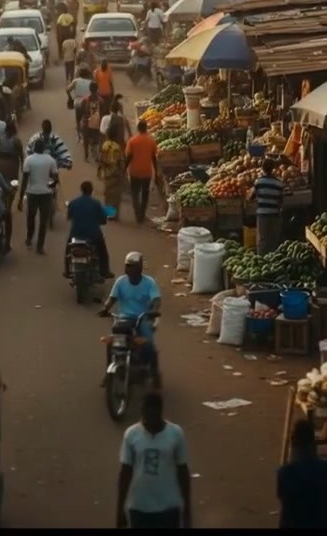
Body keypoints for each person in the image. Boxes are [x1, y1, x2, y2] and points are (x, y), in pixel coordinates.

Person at [116, 392, 191, 529]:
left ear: (159, 412)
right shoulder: (131, 435)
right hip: (139, 507)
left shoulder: (175, 434)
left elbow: (183, 471)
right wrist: (119, 509)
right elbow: (125, 472)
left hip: (168, 508)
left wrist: (187, 510)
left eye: (150, 412)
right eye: (143, 411)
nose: (145, 417)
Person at [101, 252, 162, 389]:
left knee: (148, 345)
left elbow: (156, 299)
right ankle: (108, 372)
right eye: (128, 266)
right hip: (124, 318)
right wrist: (106, 308)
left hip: (143, 318)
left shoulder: (149, 283)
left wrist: (153, 310)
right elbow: (112, 298)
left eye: (133, 266)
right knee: (111, 344)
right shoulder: (121, 282)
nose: (130, 269)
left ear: (140, 268)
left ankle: (154, 372)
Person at [277, 418, 327, 529]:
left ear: (293, 444)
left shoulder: (284, 473)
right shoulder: (324, 470)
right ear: (314, 443)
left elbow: (284, 503)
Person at [64, 180, 113, 279]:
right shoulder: (96, 204)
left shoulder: (73, 203)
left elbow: (69, 217)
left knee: (68, 250)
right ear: (91, 191)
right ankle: (105, 271)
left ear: (81, 190)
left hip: (76, 234)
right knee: (103, 251)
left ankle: (67, 270)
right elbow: (103, 220)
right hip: (93, 234)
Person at [18, 138, 58, 255]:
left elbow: (24, 180)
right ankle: (40, 246)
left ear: (34, 148)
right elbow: (55, 177)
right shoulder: (50, 160)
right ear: (44, 148)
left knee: (31, 217)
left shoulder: (29, 160)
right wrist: (50, 185)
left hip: (32, 193)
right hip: (46, 194)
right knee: (43, 221)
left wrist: (20, 198)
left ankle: (29, 239)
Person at [249, 157, 284, 256]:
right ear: (273, 169)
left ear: (263, 169)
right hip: (274, 214)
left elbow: (250, 197)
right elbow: (280, 201)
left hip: (262, 214)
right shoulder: (279, 183)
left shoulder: (258, 182)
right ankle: (273, 259)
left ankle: (261, 260)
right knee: (273, 239)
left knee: (262, 240)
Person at [125, 120, 159, 224]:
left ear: (138, 129)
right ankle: (142, 214)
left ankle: (137, 213)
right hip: (146, 172)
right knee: (145, 194)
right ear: (146, 129)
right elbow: (154, 158)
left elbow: (129, 157)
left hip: (134, 171)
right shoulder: (151, 141)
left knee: (135, 193)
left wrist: (123, 169)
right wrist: (156, 173)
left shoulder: (132, 141)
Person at [98, 122, 126, 220]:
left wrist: (100, 170)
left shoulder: (105, 145)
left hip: (106, 174)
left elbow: (101, 158)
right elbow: (120, 162)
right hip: (115, 174)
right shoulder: (117, 147)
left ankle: (108, 213)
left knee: (108, 195)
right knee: (116, 196)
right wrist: (123, 173)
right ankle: (114, 215)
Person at [0, 119, 24, 184]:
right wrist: (22, 165)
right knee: (14, 183)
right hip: (13, 164)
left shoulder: (0, 139)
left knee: (2, 181)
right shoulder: (16, 141)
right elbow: (21, 154)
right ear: (14, 129)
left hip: (1, 163)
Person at [81, 82, 104, 163]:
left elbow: (82, 111)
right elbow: (103, 113)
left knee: (86, 140)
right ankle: (96, 156)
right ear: (97, 89)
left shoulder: (85, 100)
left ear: (89, 89)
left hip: (87, 123)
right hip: (97, 123)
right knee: (96, 139)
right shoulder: (101, 101)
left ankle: (86, 155)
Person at [67, 67, 93, 140]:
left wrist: (70, 97)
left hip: (78, 102)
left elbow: (67, 90)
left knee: (78, 118)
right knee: (89, 117)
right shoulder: (90, 82)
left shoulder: (76, 81)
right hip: (87, 103)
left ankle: (78, 134)